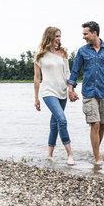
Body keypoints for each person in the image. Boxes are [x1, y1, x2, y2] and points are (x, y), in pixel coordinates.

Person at [67, 21, 104, 165]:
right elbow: (74, 72)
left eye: (85, 34)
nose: (83, 37)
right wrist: (70, 89)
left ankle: (95, 151)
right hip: (89, 92)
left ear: (94, 33)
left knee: (103, 124)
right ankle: (97, 158)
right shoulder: (82, 51)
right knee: (95, 124)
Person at [34, 26, 74, 165]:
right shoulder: (40, 55)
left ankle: (50, 155)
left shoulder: (63, 53)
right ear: (49, 36)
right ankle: (70, 154)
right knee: (62, 120)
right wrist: (36, 98)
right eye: (57, 36)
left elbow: (68, 73)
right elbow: (37, 78)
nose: (59, 39)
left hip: (62, 91)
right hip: (48, 92)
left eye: (60, 36)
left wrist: (71, 90)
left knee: (54, 124)